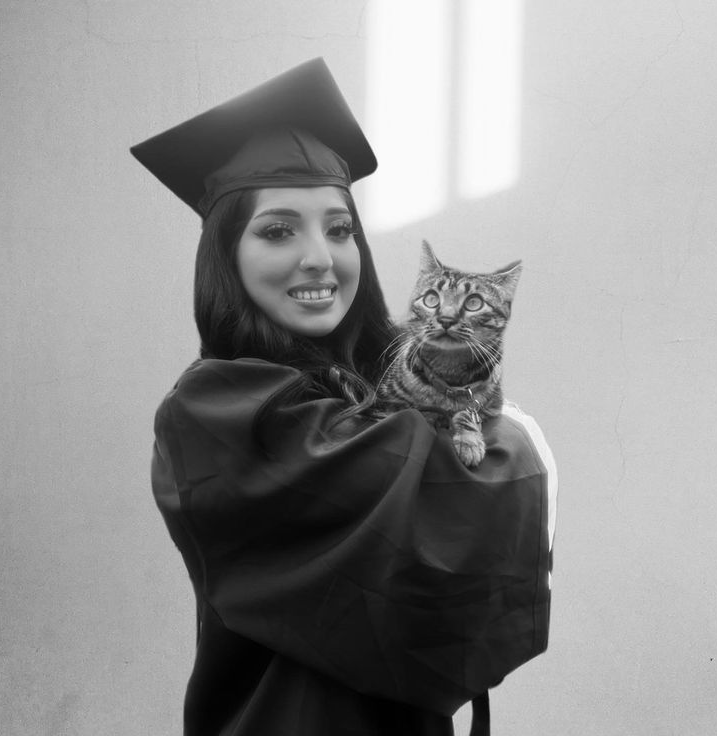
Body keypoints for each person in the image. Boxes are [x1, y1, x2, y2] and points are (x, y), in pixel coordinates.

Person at [132, 58, 557, 736]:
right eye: (278, 230)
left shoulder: (365, 378)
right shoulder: (219, 409)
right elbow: (447, 509)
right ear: (226, 253)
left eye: (339, 229)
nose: (321, 259)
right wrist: (521, 441)